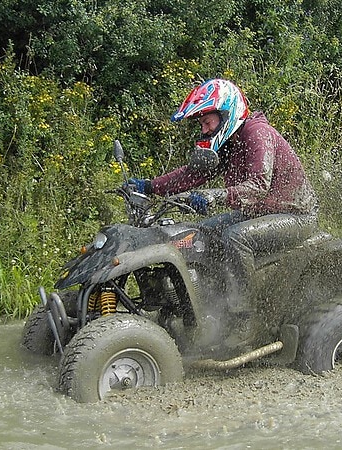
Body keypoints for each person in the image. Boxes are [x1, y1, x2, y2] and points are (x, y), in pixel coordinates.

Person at [128, 78, 318, 345]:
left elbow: (257, 186)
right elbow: (192, 175)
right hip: (258, 213)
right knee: (200, 232)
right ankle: (209, 305)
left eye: (208, 122)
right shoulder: (229, 141)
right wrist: (150, 186)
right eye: (202, 124)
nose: (205, 130)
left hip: (295, 215)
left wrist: (216, 196)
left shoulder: (256, 133)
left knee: (236, 237)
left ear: (226, 113)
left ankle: (245, 319)